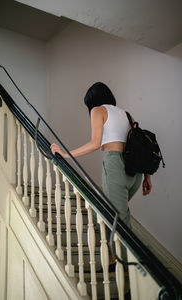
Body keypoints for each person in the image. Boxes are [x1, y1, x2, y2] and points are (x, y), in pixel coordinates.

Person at [51, 82, 152, 264]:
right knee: (110, 215)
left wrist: (66, 154)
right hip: (135, 172)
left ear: (92, 100)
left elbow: (95, 143)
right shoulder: (127, 114)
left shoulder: (97, 110)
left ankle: (134, 273)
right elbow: (141, 146)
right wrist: (147, 177)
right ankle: (113, 260)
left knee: (119, 223)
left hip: (116, 166)